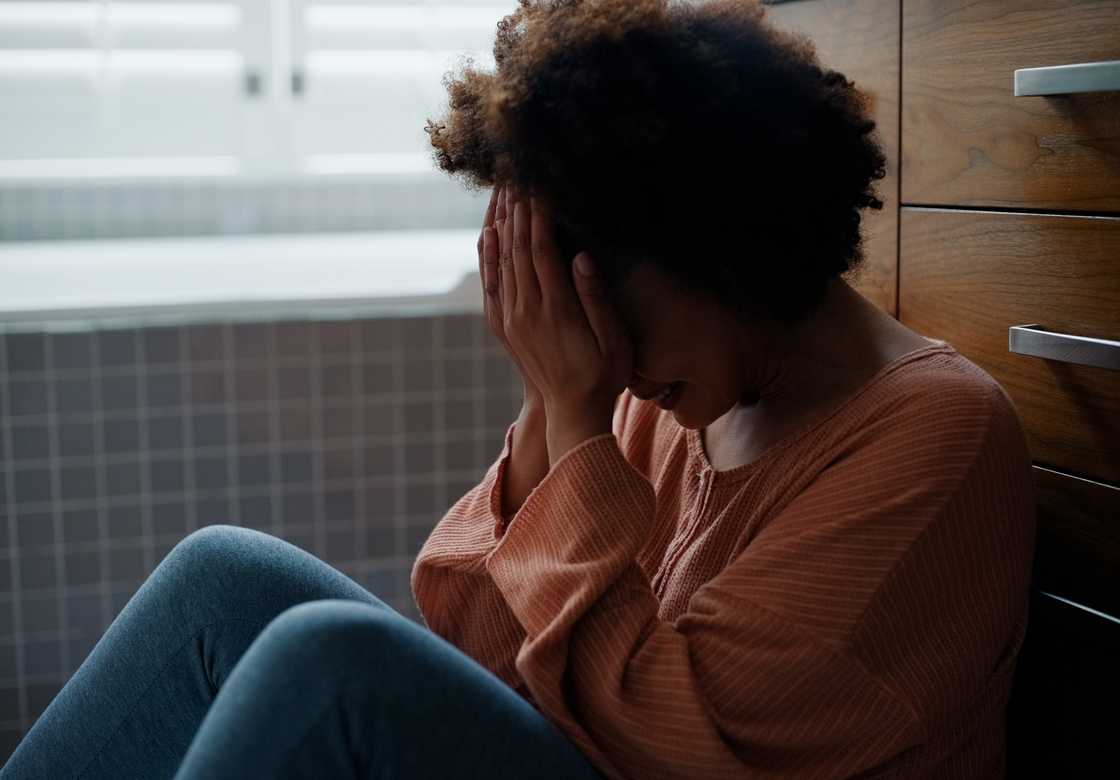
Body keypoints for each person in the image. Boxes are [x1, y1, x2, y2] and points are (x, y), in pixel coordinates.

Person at [2, 1, 1035, 778]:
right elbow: (475, 644)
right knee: (222, 578)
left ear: (725, 244)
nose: (611, 367)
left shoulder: (933, 435)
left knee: (332, 663)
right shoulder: (655, 398)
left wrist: (577, 420)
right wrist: (555, 413)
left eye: (613, 323)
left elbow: (681, 746)